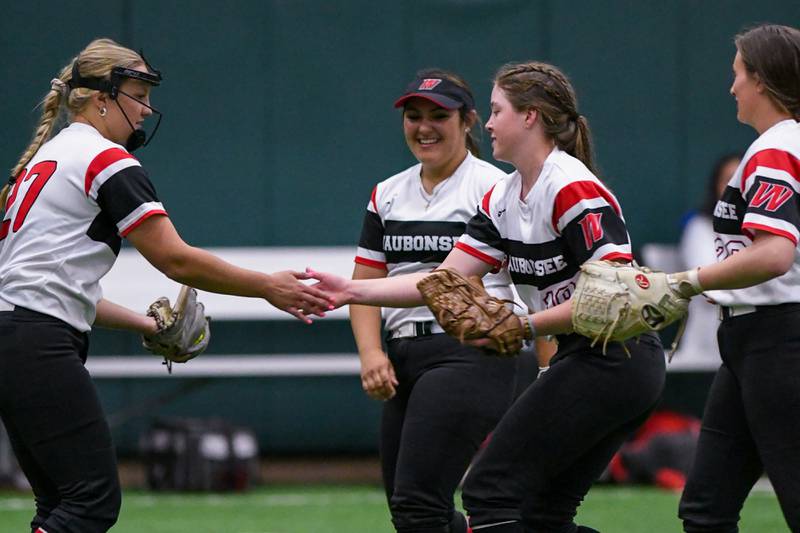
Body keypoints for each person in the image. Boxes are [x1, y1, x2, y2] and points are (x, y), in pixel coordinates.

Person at [309, 60, 666, 532]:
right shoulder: (504, 197)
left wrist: (525, 325)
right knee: (541, 515)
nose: (490, 122)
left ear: (530, 116)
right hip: (587, 357)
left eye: (497, 110)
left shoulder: (570, 186)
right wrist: (351, 289)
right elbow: (442, 279)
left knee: (488, 494)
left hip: (616, 358)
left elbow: (618, 298)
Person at [0, 38, 331, 533]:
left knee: (61, 505)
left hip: (16, 337)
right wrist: (268, 287)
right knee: (90, 503)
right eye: (138, 93)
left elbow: (49, 287)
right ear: (101, 98)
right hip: (36, 343)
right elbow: (175, 259)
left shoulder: (50, 157)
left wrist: (143, 323)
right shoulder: (105, 159)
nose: (147, 109)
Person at [350, 69, 519, 533]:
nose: (424, 126)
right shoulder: (387, 193)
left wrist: (546, 365)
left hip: (470, 351)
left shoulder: (495, 186)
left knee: (417, 505)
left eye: (438, 115)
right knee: (417, 511)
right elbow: (364, 285)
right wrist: (371, 353)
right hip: (405, 355)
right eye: (414, 115)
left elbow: (527, 282)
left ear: (468, 121)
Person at [674, 24, 800, 532]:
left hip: (779, 339)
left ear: (763, 80)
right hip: (753, 341)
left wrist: (687, 280)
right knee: (706, 509)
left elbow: (774, 254)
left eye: (738, 74)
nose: (732, 87)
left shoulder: (777, 144)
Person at [670, 153, 742, 369]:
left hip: (758, 339)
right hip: (708, 339)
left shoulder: (768, 228)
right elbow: (707, 282)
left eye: (740, 180)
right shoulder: (699, 227)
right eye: (727, 180)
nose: (734, 187)